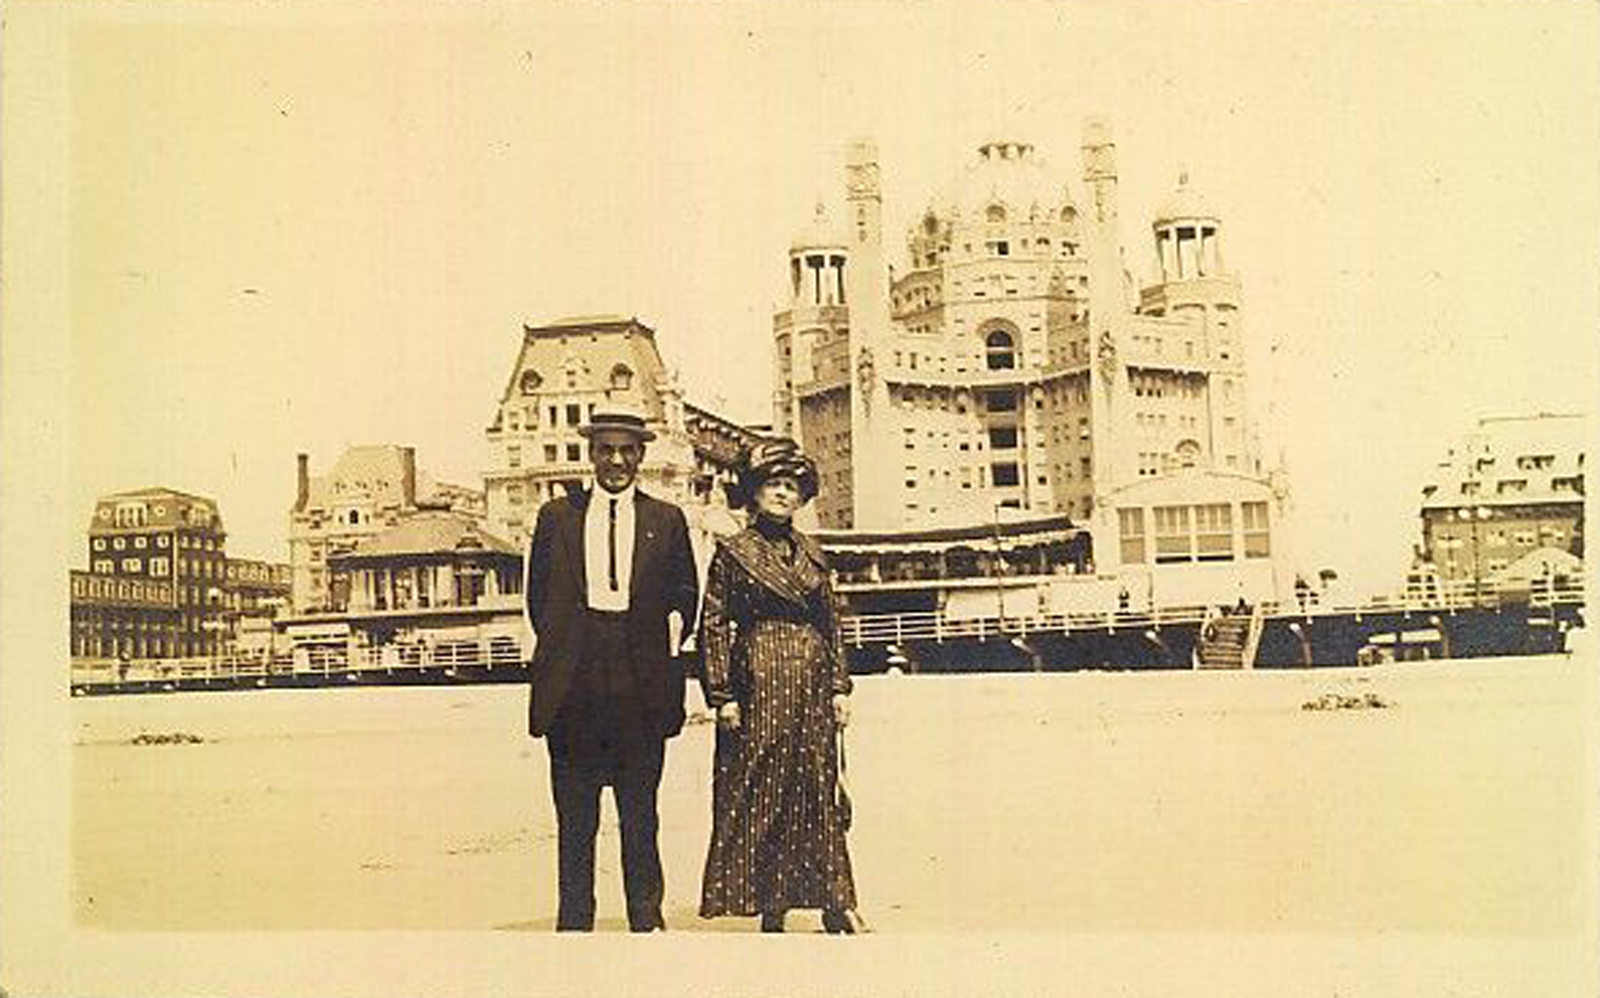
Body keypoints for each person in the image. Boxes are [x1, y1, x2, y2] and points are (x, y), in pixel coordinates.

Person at [523, 408, 699, 932]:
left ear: (642, 456)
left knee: (640, 815)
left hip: (641, 684)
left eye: (627, 451)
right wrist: (568, 647)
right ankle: (575, 927)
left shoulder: (666, 519)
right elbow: (539, 599)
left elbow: (684, 593)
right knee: (575, 820)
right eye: (606, 450)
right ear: (591, 454)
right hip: (573, 686)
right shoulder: (558, 516)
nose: (617, 460)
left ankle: (646, 921)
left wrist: (664, 633)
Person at [698, 439, 864, 934]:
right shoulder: (735, 551)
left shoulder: (814, 553)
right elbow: (712, 622)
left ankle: (835, 901)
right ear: (754, 491)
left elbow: (830, 620)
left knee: (817, 786)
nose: (783, 494)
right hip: (758, 679)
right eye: (774, 484)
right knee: (762, 787)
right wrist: (722, 693)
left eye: (792, 486)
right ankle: (771, 903)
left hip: (811, 680)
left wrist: (839, 686)